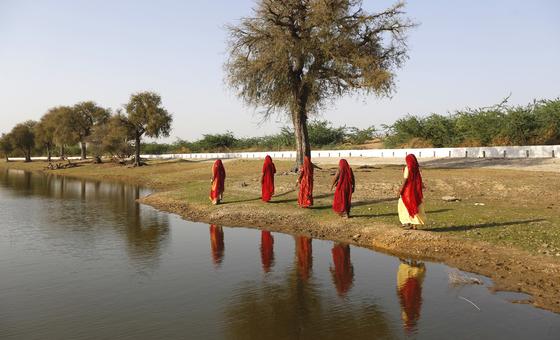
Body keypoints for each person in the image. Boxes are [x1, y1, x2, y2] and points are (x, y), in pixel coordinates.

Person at [397, 259, 426, 334]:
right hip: (409, 294)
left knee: (410, 282)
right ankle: (410, 264)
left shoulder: (413, 316)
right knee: (409, 282)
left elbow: (405, 303)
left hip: (410, 294)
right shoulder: (412, 316)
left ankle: (410, 264)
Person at [398, 154, 426, 229]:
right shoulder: (417, 169)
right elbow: (419, 179)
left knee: (404, 204)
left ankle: (406, 222)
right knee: (415, 204)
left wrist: (401, 189)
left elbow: (405, 179)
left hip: (408, 189)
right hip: (415, 190)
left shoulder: (408, 168)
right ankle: (414, 225)